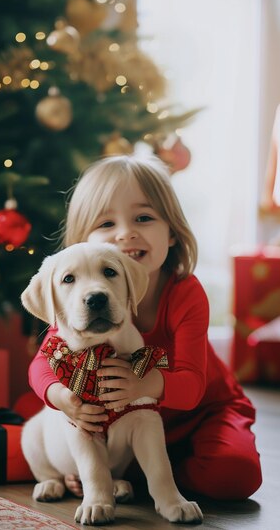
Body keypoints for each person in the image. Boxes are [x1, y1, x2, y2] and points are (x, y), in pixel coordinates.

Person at [28, 154, 262, 501]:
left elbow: (193, 386)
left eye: (143, 217)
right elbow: (42, 364)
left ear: (171, 233)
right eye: (106, 224)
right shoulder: (84, 301)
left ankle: (146, 477)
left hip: (202, 410)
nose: (126, 233)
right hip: (131, 425)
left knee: (234, 475)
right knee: (45, 412)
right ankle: (125, 473)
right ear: (82, 241)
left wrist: (145, 382)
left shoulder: (186, 293)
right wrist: (61, 397)